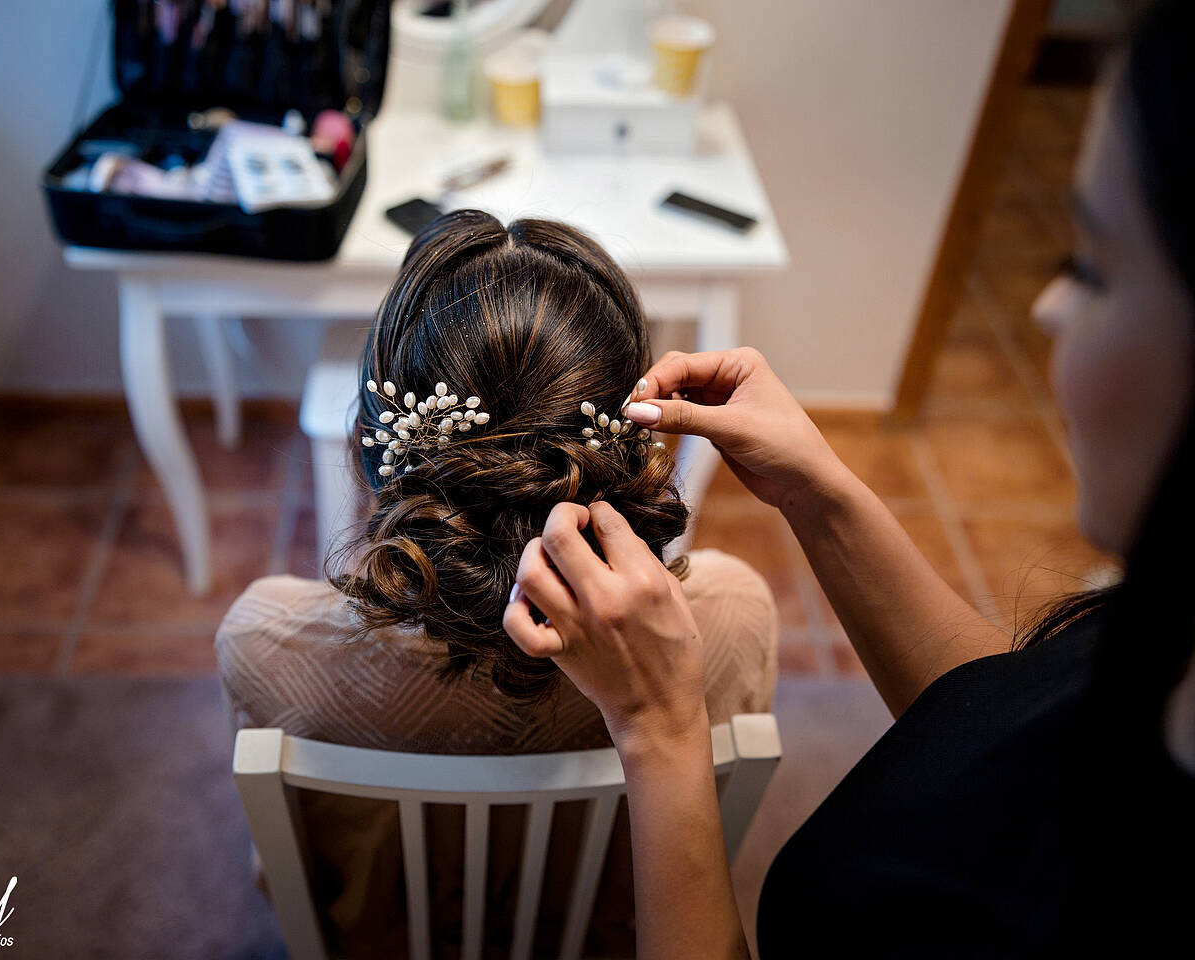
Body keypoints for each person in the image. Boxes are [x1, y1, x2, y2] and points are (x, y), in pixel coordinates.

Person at [502, 2, 1195, 955]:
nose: (1044, 306)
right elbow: (994, 726)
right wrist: (817, 490)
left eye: (1091, 265)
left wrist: (662, 732)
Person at [216, 210, 778, 957]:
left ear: (379, 435)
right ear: (635, 431)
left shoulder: (266, 641)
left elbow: (275, 871)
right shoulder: (733, 619)